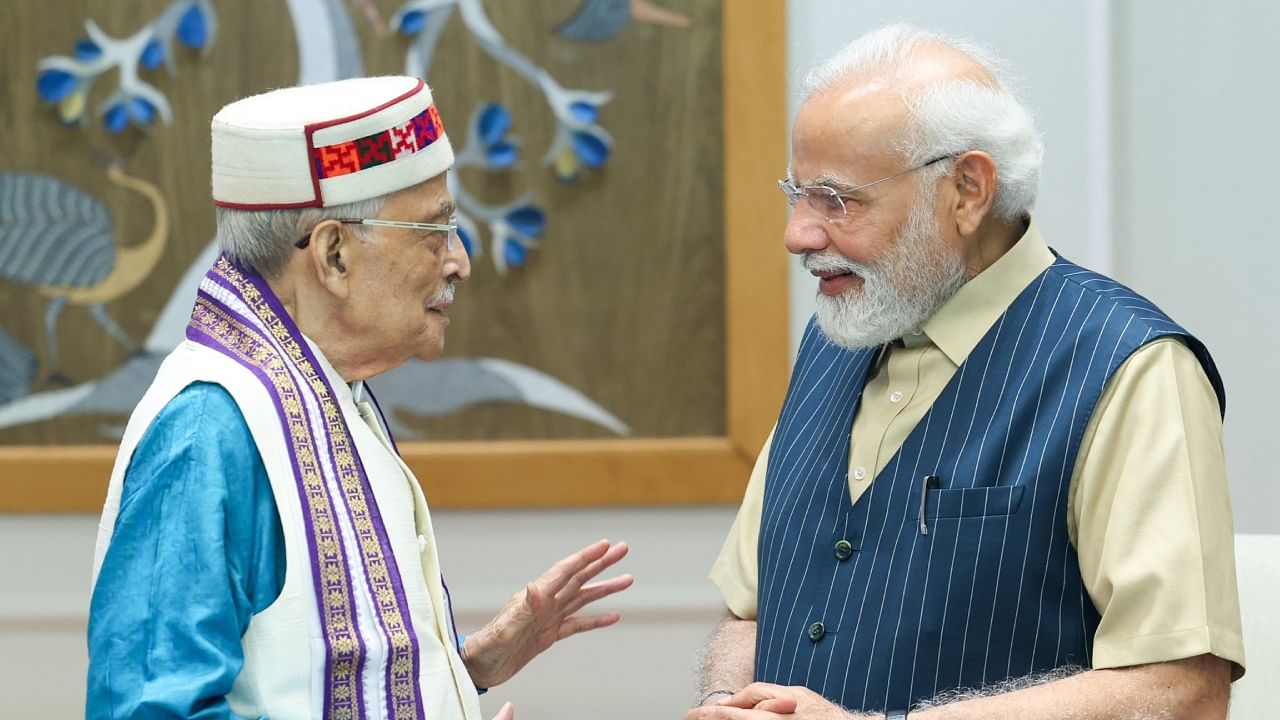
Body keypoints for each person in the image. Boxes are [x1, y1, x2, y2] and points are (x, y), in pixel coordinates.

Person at [688, 24, 1244, 720]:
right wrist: (723, 699)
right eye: (796, 194)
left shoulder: (1130, 367)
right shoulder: (834, 340)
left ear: (967, 190)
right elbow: (751, 612)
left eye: (836, 199)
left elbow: (1181, 691)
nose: (797, 233)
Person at [87, 76, 632, 720]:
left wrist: (461, 672)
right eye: (435, 230)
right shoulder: (209, 427)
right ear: (334, 255)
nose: (459, 261)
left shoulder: (326, 390)